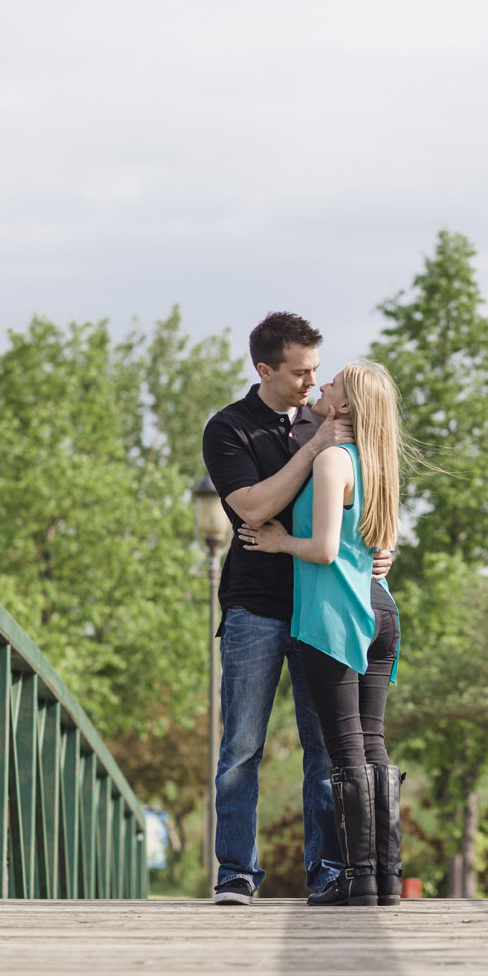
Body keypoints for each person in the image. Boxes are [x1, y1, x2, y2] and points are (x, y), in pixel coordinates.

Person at [201, 313, 392, 906]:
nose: (314, 382)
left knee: (325, 748)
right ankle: (236, 872)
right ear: (265, 369)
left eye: (318, 370)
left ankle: (331, 871)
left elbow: (369, 484)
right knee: (242, 746)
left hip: (327, 609)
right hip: (256, 608)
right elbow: (254, 510)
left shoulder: (331, 417)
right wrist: (314, 447)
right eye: (301, 371)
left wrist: (381, 547)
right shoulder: (230, 429)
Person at [240, 359, 404, 907]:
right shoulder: (379, 460)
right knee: (373, 744)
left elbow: (326, 550)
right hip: (381, 610)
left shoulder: (334, 457)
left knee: (345, 752)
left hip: (336, 613)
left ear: (347, 406)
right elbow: (380, 548)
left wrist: (278, 542)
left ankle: (358, 881)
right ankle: (385, 878)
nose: (322, 385)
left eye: (332, 383)